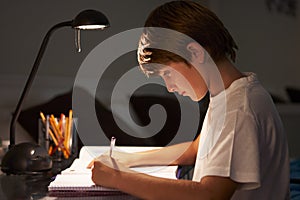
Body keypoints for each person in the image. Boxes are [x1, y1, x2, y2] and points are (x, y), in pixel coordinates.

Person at [89, 1, 290, 199]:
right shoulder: (228, 94)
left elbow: (210, 194)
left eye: (167, 73)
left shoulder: (239, 110)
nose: (169, 87)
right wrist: (129, 160)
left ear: (195, 53)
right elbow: (197, 148)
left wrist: (118, 178)